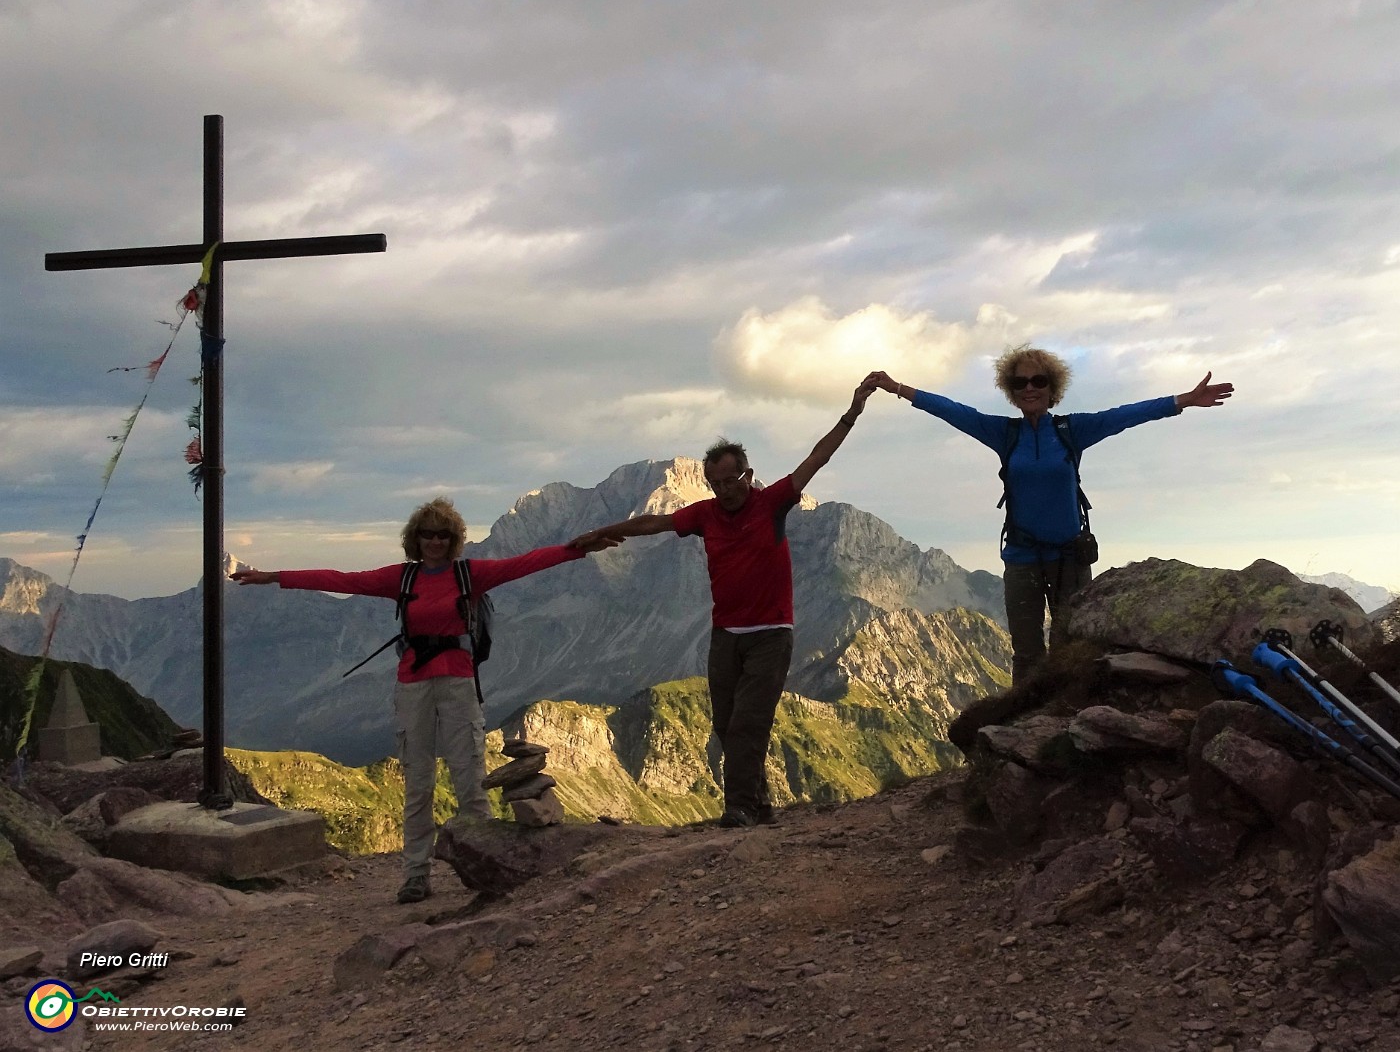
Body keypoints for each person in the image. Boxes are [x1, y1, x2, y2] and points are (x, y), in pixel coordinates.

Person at [229, 497, 619, 904]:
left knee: (469, 776)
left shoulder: (470, 575)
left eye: (443, 535)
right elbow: (342, 579)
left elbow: (526, 562)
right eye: (427, 534)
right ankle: (417, 874)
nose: (435, 541)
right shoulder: (402, 579)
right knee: (419, 782)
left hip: (457, 681)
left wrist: (577, 548)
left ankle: (483, 867)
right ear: (415, 539)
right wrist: (274, 577)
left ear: (454, 540)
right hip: (414, 684)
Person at [567, 382, 877, 828]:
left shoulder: (772, 503)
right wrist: (602, 533)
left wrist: (852, 414)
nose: (724, 490)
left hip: (771, 634)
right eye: (715, 484)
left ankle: (738, 808)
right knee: (726, 723)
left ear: (747, 475)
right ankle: (761, 804)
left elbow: (817, 457)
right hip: (726, 633)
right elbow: (654, 522)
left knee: (748, 722)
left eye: (730, 481)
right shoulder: (705, 515)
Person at [863, 347, 1233, 686]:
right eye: (1021, 382)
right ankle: (1022, 729)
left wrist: (1182, 401)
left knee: (1068, 649)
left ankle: (1060, 725)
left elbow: (1126, 415)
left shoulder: (1072, 430)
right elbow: (953, 411)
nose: (1030, 388)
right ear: (1012, 389)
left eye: (1038, 381)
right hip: (1022, 560)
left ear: (1052, 386)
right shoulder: (1004, 433)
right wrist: (898, 388)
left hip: (1069, 559)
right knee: (1026, 654)